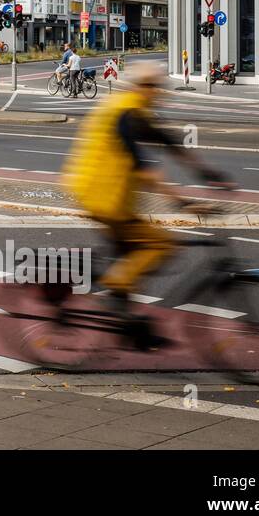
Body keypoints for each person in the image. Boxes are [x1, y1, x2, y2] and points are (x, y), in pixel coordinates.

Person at [63, 61, 232, 349]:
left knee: (129, 254)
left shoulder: (132, 108)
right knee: (160, 245)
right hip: (104, 196)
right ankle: (116, 295)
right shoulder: (125, 113)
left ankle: (128, 326)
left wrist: (208, 173)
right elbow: (145, 170)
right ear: (143, 87)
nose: (160, 94)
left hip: (109, 194)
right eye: (155, 88)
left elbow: (168, 142)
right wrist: (182, 202)